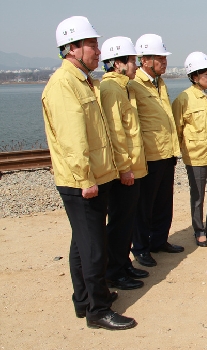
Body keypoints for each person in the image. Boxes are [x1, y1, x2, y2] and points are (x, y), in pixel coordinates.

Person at [42, 16, 136, 330]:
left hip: (96, 176)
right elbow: (72, 139)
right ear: (71, 48)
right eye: (91, 45)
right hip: (83, 181)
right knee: (94, 247)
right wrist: (85, 179)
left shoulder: (86, 81)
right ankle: (97, 311)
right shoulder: (64, 84)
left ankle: (84, 300)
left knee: (82, 244)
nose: (98, 51)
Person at [99, 36, 149, 290]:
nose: (135, 66)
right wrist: (125, 168)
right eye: (131, 62)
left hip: (134, 167)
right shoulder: (110, 90)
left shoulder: (124, 87)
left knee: (127, 220)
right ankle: (114, 271)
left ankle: (124, 264)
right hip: (124, 171)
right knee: (119, 222)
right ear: (117, 63)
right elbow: (116, 134)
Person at [129, 34, 183, 267]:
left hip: (166, 153)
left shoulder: (160, 83)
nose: (165, 62)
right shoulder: (134, 84)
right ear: (146, 60)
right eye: (160, 58)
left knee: (163, 202)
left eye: (164, 57)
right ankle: (141, 248)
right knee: (144, 206)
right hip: (148, 156)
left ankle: (159, 241)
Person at [172, 52, 207, 247]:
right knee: (197, 196)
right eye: (206, 74)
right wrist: (177, 152)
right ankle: (198, 230)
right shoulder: (183, 98)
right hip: (196, 156)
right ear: (194, 77)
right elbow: (177, 129)